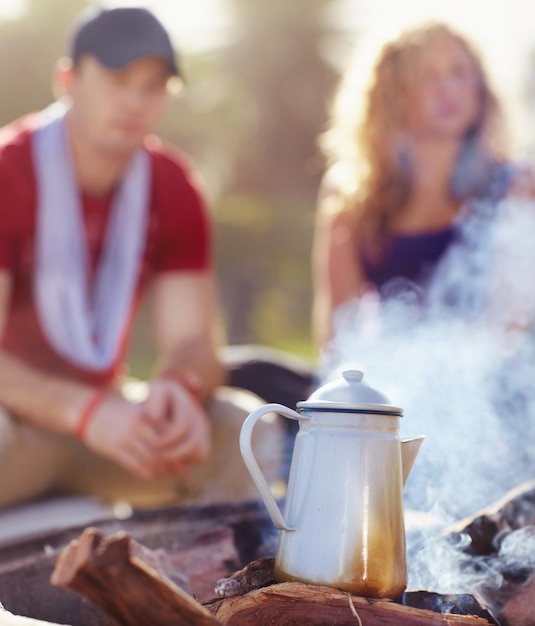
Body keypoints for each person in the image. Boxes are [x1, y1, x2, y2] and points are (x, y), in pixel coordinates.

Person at [0, 5, 284, 511]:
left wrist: (178, 385)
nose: (135, 100)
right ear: (67, 78)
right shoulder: (9, 170)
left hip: (109, 422)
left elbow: (195, 342)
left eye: (154, 85)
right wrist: (86, 412)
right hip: (18, 425)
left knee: (239, 426)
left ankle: (208, 587)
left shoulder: (172, 185)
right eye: (117, 78)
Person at [312, 21, 535, 353]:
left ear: (480, 87)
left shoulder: (516, 187)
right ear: (392, 93)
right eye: (426, 75)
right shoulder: (349, 193)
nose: (447, 88)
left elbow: (506, 333)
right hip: (394, 384)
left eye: (459, 72)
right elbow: (337, 332)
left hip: (497, 388)